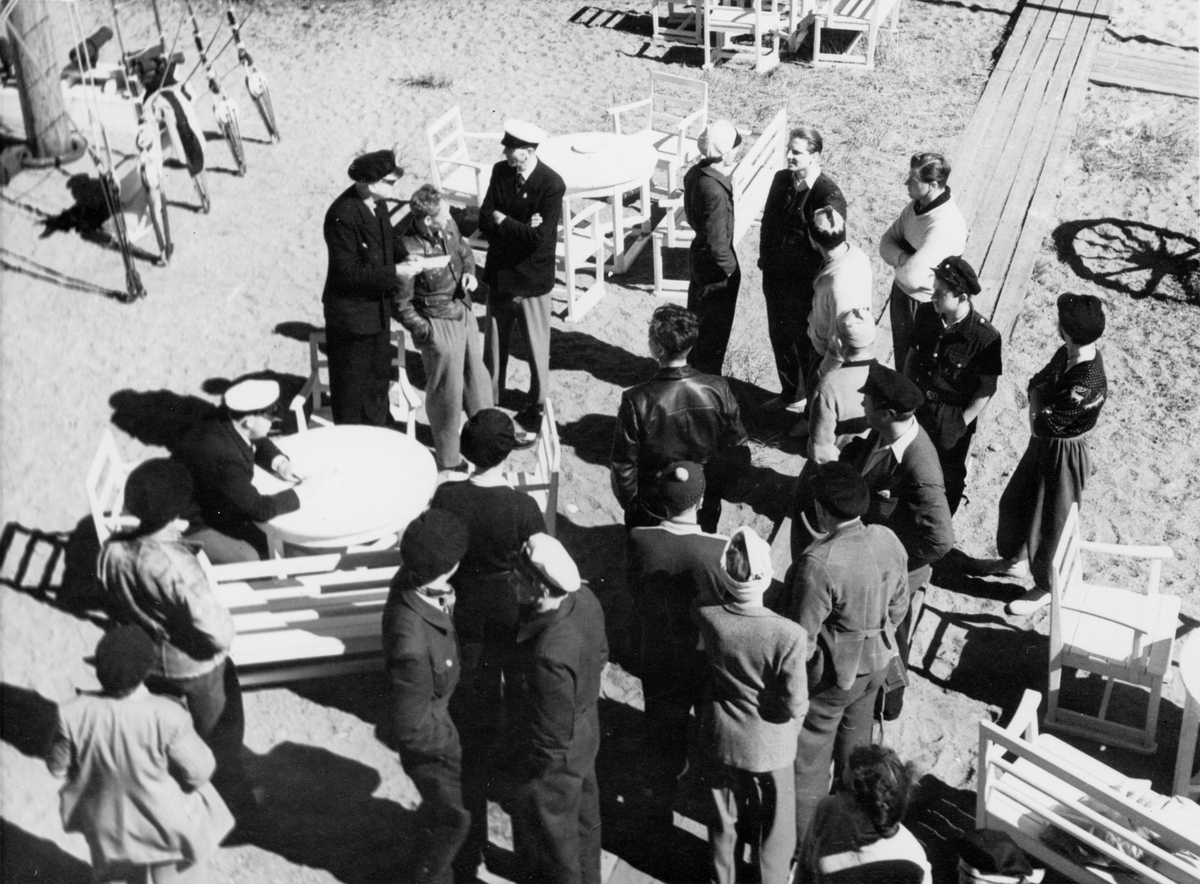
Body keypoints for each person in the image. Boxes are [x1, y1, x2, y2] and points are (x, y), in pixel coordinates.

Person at [99, 458, 255, 821]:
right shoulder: (175, 564)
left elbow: (111, 600)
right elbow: (215, 629)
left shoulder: (112, 550)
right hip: (195, 666)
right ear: (176, 511)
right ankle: (235, 810)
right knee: (221, 737)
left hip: (150, 660)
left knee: (167, 736)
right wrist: (223, 642)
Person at [428, 410, 547, 883]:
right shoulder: (522, 506)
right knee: (516, 692)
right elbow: (540, 562)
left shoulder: (447, 496)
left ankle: (469, 846)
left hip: (467, 606)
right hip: (510, 607)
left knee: (473, 706)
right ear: (507, 453)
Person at [795, 364, 952, 720]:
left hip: (894, 571)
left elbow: (941, 541)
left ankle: (890, 702)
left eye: (867, 400)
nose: (861, 402)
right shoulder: (882, 434)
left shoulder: (920, 468)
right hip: (871, 553)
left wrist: (894, 561)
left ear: (888, 413)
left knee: (890, 638)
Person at [47, 626, 234, 884]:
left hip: (108, 828)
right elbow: (200, 771)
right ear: (146, 671)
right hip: (168, 830)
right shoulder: (168, 715)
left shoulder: (71, 713)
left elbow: (57, 769)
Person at [784, 462, 909, 846]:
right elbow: (899, 607)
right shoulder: (888, 539)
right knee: (856, 751)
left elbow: (802, 639)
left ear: (821, 511)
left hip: (833, 678)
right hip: (878, 662)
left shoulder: (819, 562)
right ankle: (854, 823)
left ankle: (808, 842)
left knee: (809, 760)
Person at [695, 527, 808, 884]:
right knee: (774, 833)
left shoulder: (708, 616)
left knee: (722, 823)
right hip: (771, 748)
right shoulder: (789, 634)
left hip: (722, 738)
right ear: (767, 575)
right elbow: (796, 703)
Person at [986, 293, 1107, 617]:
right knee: (1015, 502)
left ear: (1066, 330)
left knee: (1053, 521)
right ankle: (1015, 560)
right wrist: (1039, 400)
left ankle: (1048, 587)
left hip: (1065, 452)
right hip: (1045, 445)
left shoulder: (1087, 379)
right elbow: (1036, 385)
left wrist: (1038, 400)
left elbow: (1042, 423)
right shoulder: (1067, 353)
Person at [509, 534, 608, 884]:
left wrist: (536, 772)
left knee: (554, 846)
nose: (512, 579)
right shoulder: (585, 598)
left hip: (556, 758)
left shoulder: (548, 653)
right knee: (585, 824)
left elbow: (550, 738)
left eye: (520, 576)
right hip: (586, 730)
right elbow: (601, 655)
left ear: (540, 587)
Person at [627, 462, 727, 804]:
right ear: (700, 502)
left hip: (657, 648)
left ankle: (666, 778)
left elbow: (635, 589)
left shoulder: (641, 539)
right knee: (706, 715)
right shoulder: (718, 549)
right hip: (701, 654)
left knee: (662, 719)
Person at [382, 510, 472, 884]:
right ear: (448, 568)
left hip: (439, 718)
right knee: (453, 820)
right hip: (434, 746)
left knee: (442, 816)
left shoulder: (415, 577)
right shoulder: (411, 644)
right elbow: (411, 727)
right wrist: (451, 747)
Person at [610, 304, 750, 533]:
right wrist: (714, 493)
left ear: (658, 349)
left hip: (655, 508)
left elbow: (623, 465)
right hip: (700, 502)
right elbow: (738, 447)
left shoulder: (636, 400)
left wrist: (635, 509)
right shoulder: (718, 388)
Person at [393, 183, 492, 477]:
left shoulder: (447, 226)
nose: (450, 216)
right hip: (437, 323)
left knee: (477, 380)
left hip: (463, 310)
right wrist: (427, 334)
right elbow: (400, 304)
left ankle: (487, 441)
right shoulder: (407, 248)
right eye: (444, 213)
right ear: (427, 220)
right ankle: (449, 458)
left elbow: (464, 252)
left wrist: (470, 275)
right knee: (446, 393)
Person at [174, 378, 327, 563]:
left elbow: (256, 437)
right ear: (249, 421)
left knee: (282, 541)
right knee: (258, 555)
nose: (276, 419)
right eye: (271, 414)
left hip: (216, 506)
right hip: (196, 525)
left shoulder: (227, 419)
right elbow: (260, 509)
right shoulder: (225, 458)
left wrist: (280, 463)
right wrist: (304, 491)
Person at [478, 119, 566, 433]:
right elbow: (484, 219)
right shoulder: (500, 172)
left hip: (532, 280)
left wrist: (503, 221)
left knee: (536, 347)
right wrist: (520, 225)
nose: (504, 153)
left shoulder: (551, 184)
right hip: (501, 274)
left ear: (527, 152)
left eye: (510, 148)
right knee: (494, 344)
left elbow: (537, 239)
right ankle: (489, 397)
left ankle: (538, 404)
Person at [321, 148, 419, 426]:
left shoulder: (377, 202)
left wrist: (404, 255)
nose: (394, 186)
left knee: (377, 379)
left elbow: (388, 237)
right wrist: (395, 271)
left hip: (376, 311)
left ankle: (380, 429)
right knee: (351, 390)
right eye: (390, 181)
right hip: (351, 319)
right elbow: (348, 273)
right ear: (371, 183)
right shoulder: (342, 215)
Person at [757, 126, 847, 413]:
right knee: (780, 336)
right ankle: (792, 395)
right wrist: (766, 262)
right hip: (775, 279)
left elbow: (830, 249)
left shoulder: (828, 195)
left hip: (805, 287)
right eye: (788, 149)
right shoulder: (782, 179)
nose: (788, 156)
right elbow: (768, 224)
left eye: (796, 152)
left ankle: (811, 409)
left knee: (807, 345)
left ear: (815, 156)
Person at [903, 255, 1001, 514]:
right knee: (908, 463)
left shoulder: (984, 337)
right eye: (934, 289)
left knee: (948, 477)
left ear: (962, 297)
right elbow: (913, 355)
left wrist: (960, 423)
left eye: (941, 293)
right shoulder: (926, 314)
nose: (933, 296)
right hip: (919, 404)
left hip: (950, 416)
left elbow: (987, 388)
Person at [878, 152, 967, 368]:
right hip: (902, 296)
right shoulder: (915, 207)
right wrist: (905, 258)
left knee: (918, 367)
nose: (906, 183)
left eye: (913, 179)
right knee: (902, 362)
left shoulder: (944, 223)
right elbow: (885, 243)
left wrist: (899, 261)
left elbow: (913, 278)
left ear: (932, 185)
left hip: (926, 305)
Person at [798, 745, 932, 884]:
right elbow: (804, 872)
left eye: (842, 785)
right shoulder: (827, 810)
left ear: (864, 806)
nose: (835, 784)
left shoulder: (909, 860)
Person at [684, 119, 743, 375]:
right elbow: (718, 245)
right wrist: (732, 271)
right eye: (735, 148)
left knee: (697, 324)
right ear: (725, 152)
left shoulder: (695, 173)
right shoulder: (715, 191)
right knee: (713, 335)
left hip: (699, 258)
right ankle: (707, 381)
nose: (737, 152)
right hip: (716, 270)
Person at [806, 206, 873, 390]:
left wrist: (821, 375)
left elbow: (839, 342)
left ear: (813, 240)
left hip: (829, 360)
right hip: (834, 354)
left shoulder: (837, 285)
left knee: (816, 400)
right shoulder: (857, 254)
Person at [808, 308, 876, 465]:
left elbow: (821, 451)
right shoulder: (889, 374)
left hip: (837, 469)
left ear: (838, 342)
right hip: (870, 465)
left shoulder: (828, 386)